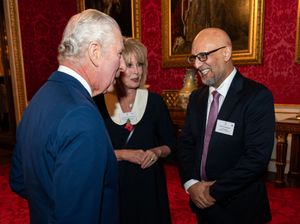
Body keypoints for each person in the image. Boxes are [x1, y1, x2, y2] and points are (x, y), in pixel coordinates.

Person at [9, 9, 125, 224]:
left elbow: (19, 181)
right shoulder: (82, 117)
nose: (123, 65)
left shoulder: (38, 100)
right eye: (119, 53)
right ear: (95, 52)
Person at [176, 27, 275, 224]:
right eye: (194, 57)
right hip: (202, 207)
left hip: (241, 209)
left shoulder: (257, 96)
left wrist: (213, 192)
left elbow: (256, 158)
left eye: (203, 56)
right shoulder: (197, 97)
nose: (197, 64)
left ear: (226, 53)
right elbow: (186, 144)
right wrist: (191, 184)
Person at [94, 38, 176, 224]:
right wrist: (123, 154)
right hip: (114, 185)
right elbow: (92, 153)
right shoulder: (99, 103)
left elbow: (171, 144)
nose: (136, 71)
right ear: (117, 67)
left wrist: (157, 151)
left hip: (149, 185)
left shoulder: (155, 102)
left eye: (140, 64)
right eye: (129, 65)